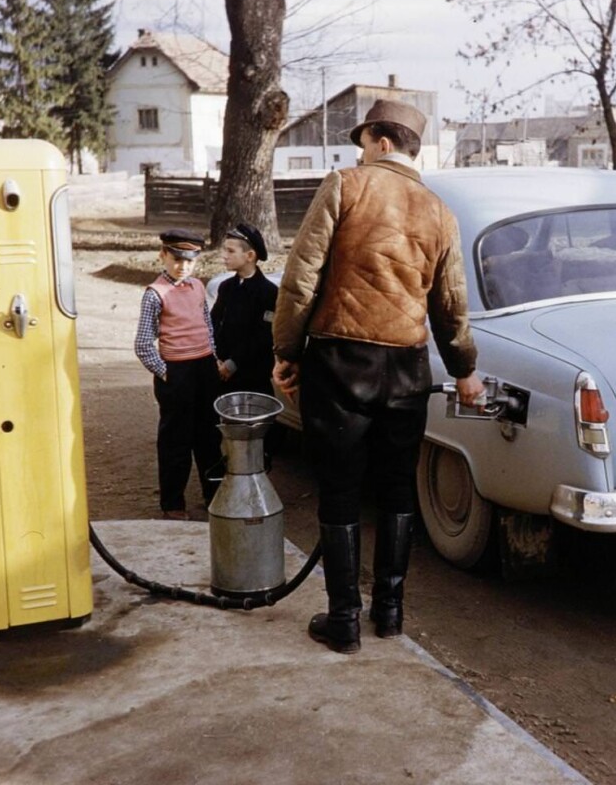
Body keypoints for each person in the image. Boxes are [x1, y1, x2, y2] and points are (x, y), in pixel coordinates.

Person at [272, 99, 485, 655]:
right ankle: (390, 613)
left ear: (382, 142)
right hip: (407, 367)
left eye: (363, 142)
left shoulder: (345, 185)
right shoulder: (441, 212)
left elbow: (300, 276)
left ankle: (344, 618)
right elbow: (451, 305)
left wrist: (286, 349)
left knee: (340, 490)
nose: (359, 153)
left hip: (341, 360)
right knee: (396, 491)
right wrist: (464, 369)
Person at [134, 228, 224, 521]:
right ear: (163, 255)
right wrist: (166, 373)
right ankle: (173, 504)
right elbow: (143, 343)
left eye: (189, 260)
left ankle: (216, 499)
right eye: (176, 258)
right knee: (176, 441)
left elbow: (207, 325)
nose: (182, 266)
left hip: (205, 369)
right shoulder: (155, 294)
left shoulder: (198, 286)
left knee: (210, 439)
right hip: (176, 373)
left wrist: (213, 359)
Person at [211, 221, 279, 397]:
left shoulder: (268, 292)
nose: (224, 256)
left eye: (231, 251)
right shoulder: (226, 287)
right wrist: (216, 359)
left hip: (251, 376)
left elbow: (263, 335)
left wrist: (233, 363)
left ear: (249, 256)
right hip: (221, 372)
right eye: (224, 250)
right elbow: (213, 323)